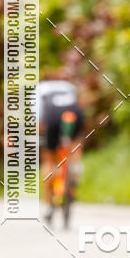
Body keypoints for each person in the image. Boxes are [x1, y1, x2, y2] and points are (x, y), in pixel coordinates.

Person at [36, 79, 84, 223]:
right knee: (75, 143)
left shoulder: (40, 88)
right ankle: (75, 168)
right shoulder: (68, 86)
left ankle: (48, 204)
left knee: (49, 159)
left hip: (52, 116)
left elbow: (38, 121)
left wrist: (46, 139)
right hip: (74, 113)